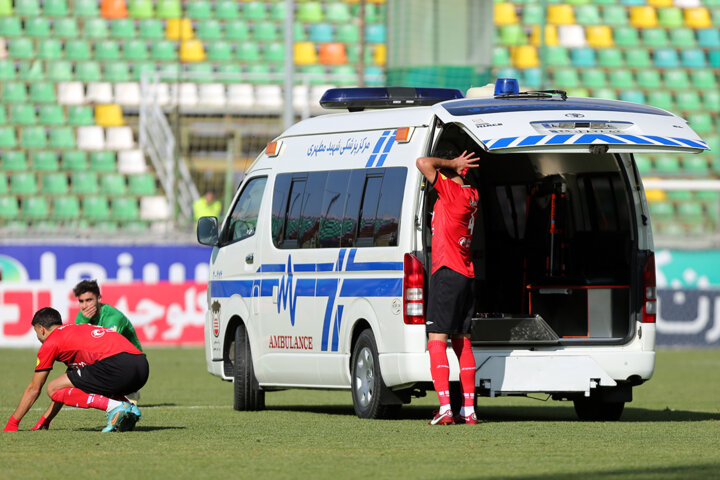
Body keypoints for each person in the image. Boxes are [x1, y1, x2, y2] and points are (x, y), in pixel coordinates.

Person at [3, 307, 149, 433]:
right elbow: (66, 387)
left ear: (41, 329)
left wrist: (12, 423)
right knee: (64, 385)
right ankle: (129, 409)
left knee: (51, 388)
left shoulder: (51, 342)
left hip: (118, 366)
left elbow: (34, 389)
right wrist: (45, 420)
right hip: (141, 366)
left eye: (36, 332)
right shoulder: (75, 331)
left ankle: (115, 407)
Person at [416, 149, 480, 425]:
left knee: (436, 340)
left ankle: (444, 407)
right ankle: (469, 409)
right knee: (462, 341)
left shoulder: (452, 194)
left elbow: (423, 163)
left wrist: (452, 164)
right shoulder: (472, 195)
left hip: (448, 273)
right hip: (466, 274)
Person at [73, 279, 143, 352]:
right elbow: (78, 345)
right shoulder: (82, 316)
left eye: (89, 300)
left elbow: (108, 347)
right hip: (107, 357)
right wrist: (84, 321)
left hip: (132, 358)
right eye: (81, 301)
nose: (84, 306)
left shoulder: (113, 317)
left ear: (99, 299)